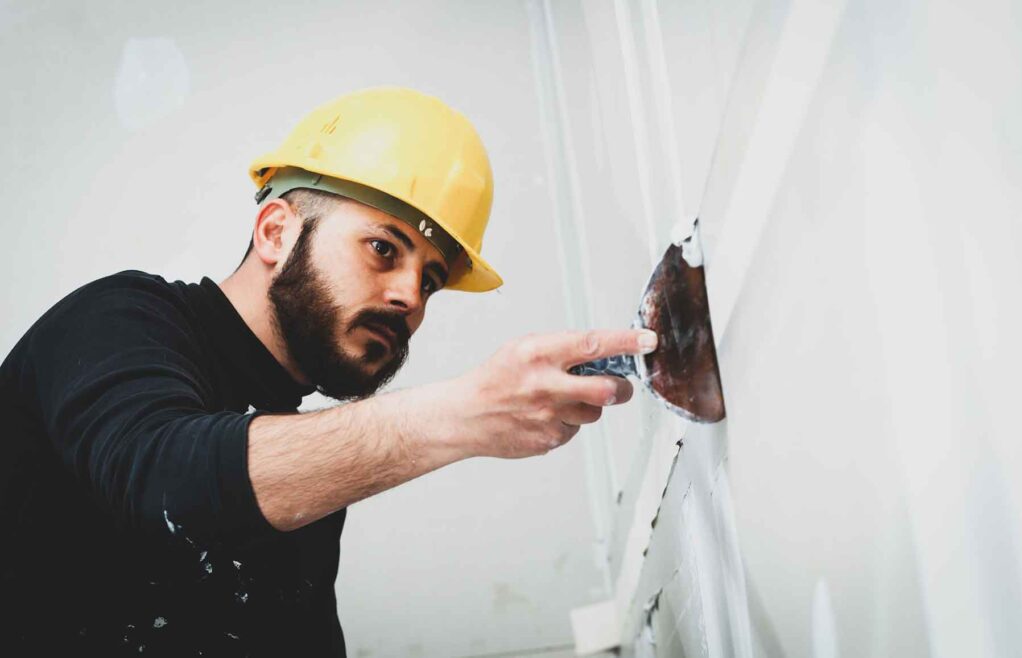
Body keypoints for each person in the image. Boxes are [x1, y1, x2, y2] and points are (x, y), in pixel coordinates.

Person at [0, 87, 657, 656]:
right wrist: (462, 414)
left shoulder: (304, 481)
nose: (410, 297)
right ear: (276, 232)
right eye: (383, 248)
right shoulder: (118, 319)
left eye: (430, 280)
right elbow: (167, 483)